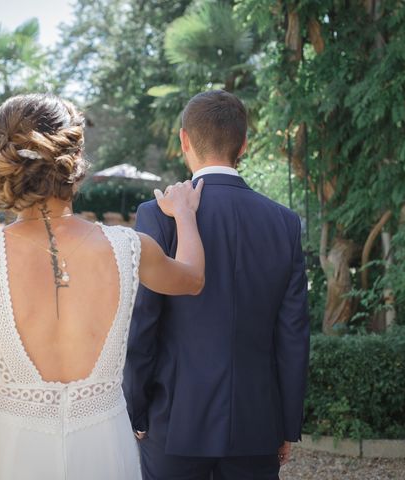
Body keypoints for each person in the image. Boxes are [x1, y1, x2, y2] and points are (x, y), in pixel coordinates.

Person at [0, 93, 205, 480]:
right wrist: (185, 216)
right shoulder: (130, 247)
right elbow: (192, 278)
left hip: (13, 457)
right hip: (106, 452)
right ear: (74, 161)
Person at [124, 90, 310, 480]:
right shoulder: (285, 223)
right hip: (256, 421)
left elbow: (143, 321)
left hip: (172, 419)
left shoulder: (156, 215)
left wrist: (135, 408)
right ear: (243, 144)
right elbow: (293, 336)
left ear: (184, 140)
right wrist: (287, 423)